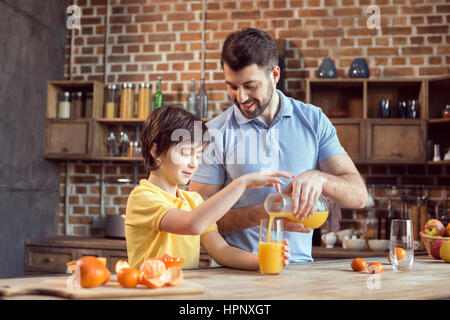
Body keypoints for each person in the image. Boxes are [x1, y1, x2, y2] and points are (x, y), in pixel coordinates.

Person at [189, 28, 368, 263]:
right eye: (232, 86)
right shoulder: (214, 133)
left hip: (300, 273)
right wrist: (265, 214)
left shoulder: (314, 121)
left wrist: (320, 178)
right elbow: (197, 221)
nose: (241, 97)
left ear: (274, 74)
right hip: (235, 275)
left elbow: (359, 196)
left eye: (250, 86)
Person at [125, 105, 291, 270]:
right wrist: (242, 183)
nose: (193, 164)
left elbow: (221, 251)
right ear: (156, 151)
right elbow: (192, 225)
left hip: (185, 291)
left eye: (197, 156)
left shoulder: (194, 201)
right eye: (185, 153)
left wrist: (264, 260)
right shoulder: (143, 197)